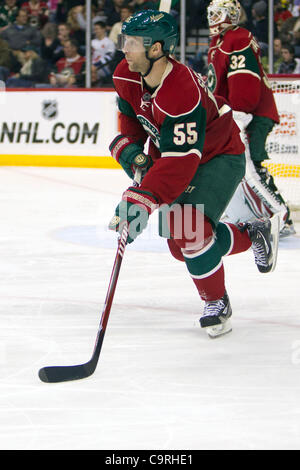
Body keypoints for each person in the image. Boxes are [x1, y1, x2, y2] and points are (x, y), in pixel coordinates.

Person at [108, 9, 279, 338]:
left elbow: (180, 163)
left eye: (131, 43)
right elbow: (134, 126)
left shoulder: (181, 90)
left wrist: (142, 198)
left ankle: (217, 303)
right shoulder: (125, 74)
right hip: (177, 155)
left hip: (218, 155)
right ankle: (253, 233)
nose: (124, 49)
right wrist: (132, 156)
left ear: (156, 49)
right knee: (179, 245)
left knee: (191, 231)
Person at [206, 0, 295, 237]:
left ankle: (281, 217)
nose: (212, 18)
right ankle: (249, 213)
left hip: (251, 114)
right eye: (210, 13)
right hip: (237, 114)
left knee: (251, 166)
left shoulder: (238, 38)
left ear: (231, 15)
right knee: (234, 166)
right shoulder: (218, 43)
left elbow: (244, 81)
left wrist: (239, 112)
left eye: (217, 13)